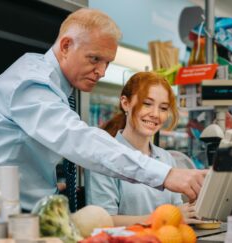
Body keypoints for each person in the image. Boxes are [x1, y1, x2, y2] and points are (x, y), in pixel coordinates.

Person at [0, 8, 207, 211]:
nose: (102, 71)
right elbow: (80, 140)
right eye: (94, 59)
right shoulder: (30, 84)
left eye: (107, 62)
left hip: (35, 212)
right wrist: (165, 174)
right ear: (66, 45)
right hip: (6, 217)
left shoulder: (56, 86)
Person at [86, 72, 203, 226]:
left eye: (163, 108)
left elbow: (177, 211)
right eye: (147, 104)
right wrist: (163, 218)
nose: (155, 114)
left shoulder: (166, 158)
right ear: (125, 103)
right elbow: (102, 221)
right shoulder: (103, 158)